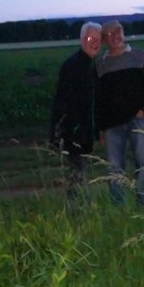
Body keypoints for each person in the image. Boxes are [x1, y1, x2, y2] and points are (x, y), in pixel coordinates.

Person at [96, 20, 144, 206]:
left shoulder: (139, 55)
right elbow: (98, 99)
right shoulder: (101, 65)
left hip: (138, 120)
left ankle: (142, 200)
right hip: (111, 125)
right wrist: (99, 128)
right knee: (115, 167)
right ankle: (118, 205)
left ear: (123, 33)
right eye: (110, 34)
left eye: (118, 32)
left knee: (143, 162)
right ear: (105, 40)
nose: (115, 36)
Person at [49, 21, 102, 205]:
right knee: (76, 176)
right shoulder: (73, 66)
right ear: (81, 40)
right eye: (90, 38)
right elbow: (63, 102)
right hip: (73, 133)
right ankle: (78, 215)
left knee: (78, 174)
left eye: (98, 39)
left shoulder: (89, 64)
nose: (94, 42)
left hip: (82, 132)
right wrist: (65, 132)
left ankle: (79, 213)